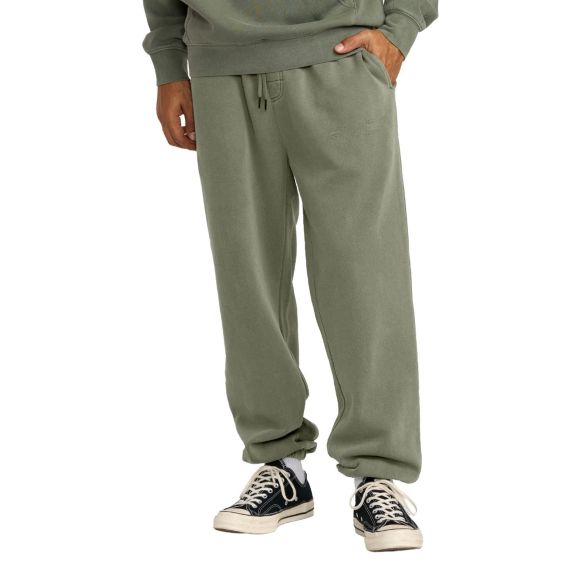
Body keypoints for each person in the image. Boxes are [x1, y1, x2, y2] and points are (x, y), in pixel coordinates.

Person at [142, 0, 438, 552]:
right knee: (246, 275)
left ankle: (378, 471)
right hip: (221, 66)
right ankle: (281, 465)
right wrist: (168, 63)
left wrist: (400, 27)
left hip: (340, 57)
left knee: (366, 274)